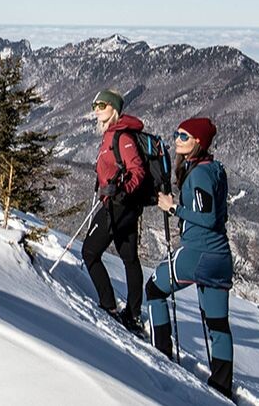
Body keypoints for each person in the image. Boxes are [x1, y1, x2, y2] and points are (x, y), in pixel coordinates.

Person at [144, 117, 236, 398]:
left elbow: (205, 217)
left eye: (183, 136)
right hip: (220, 255)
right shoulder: (214, 169)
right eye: (177, 134)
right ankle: (221, 387)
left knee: (154, 290)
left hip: (198, 252)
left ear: (198, 142)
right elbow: (217, 214)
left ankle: (161, 355)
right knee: (218, 325)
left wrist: (174, 208)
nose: (177, 139)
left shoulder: (199, 174)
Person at [79, 89, 147, 331]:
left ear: (114, 108)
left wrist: (120, 191)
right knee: (129, 259)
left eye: (102, 105)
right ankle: (133, 314)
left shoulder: (122, 137)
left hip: (118, 206)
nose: (97, 109)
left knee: (89, 252)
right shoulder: (110, 134)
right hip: (123, 206)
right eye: (95, 104)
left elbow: (137, 170)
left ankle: (108, 305)